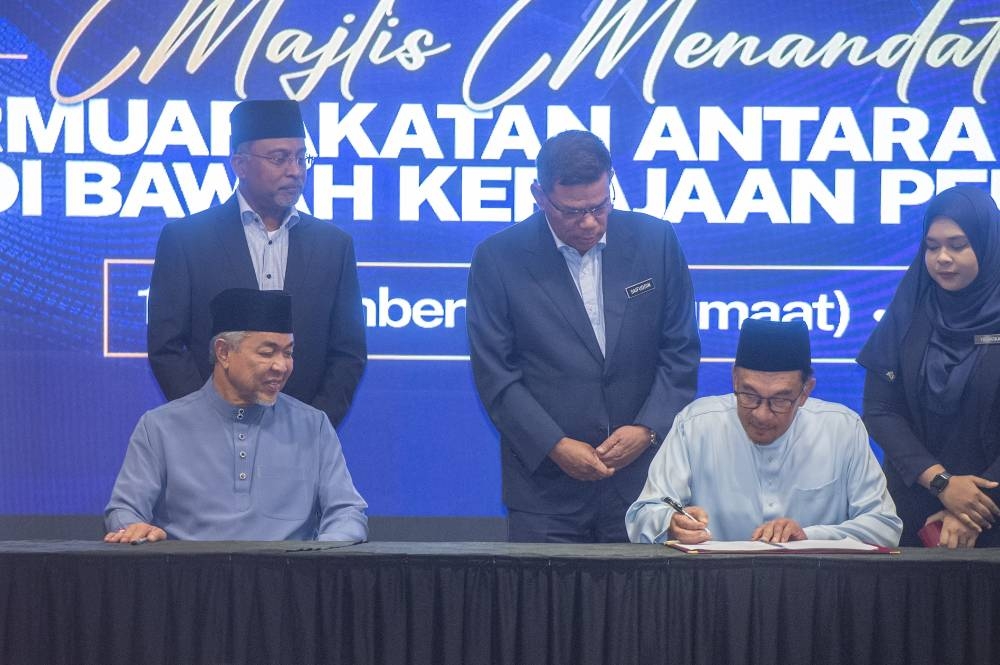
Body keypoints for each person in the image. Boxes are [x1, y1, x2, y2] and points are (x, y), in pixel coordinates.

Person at [467, 130, 701, 543]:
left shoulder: (656, 242)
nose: (590, 222)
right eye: (573, 212)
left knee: (637, 608)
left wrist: (647, 428)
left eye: (601, 205)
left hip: (643, 484)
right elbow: (497, 376)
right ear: (540, 195)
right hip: (544, 492)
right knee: (546, 608)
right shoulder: (498, 259)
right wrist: (554, 444)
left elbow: (680, 350)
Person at [147, 99, 366, 428]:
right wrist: (207, 422)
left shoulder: (334, 247)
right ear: (240, 164)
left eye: (301, 158)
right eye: (279, 158)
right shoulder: (187, 240)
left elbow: (348, 352)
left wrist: (313, 426)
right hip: (208, 443)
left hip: (301, 444)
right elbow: (166, 345)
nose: (294, 170)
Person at [105, 288, 368, 543]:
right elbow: (124, 511)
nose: (282, 366)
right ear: (224, 352)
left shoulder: (314, 426)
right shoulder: (159, 427)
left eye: (288, 353)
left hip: (289, 581)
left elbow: (348, 512)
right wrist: (134, 529)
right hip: (191, 583)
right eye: (267, 353)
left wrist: (322, 552)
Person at [627, 318, 901, 547]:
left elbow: (885, 527)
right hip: (714, 590)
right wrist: (672, 524)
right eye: (749, 395)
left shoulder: (842, 429)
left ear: (806, 391)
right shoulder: (696, 424)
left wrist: (810, 536)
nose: (761, 414)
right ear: (734, 378)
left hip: (815, 591)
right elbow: (642, 515)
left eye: (780, 400)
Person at [858, 186, 1000, 548]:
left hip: (991, 507)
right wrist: (943, 484)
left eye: (957, 245)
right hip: (916, 509)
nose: (942, 258)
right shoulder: (910, 311)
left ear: (988, 244)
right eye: (932, 246)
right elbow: (880, 408)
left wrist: (972, 507)